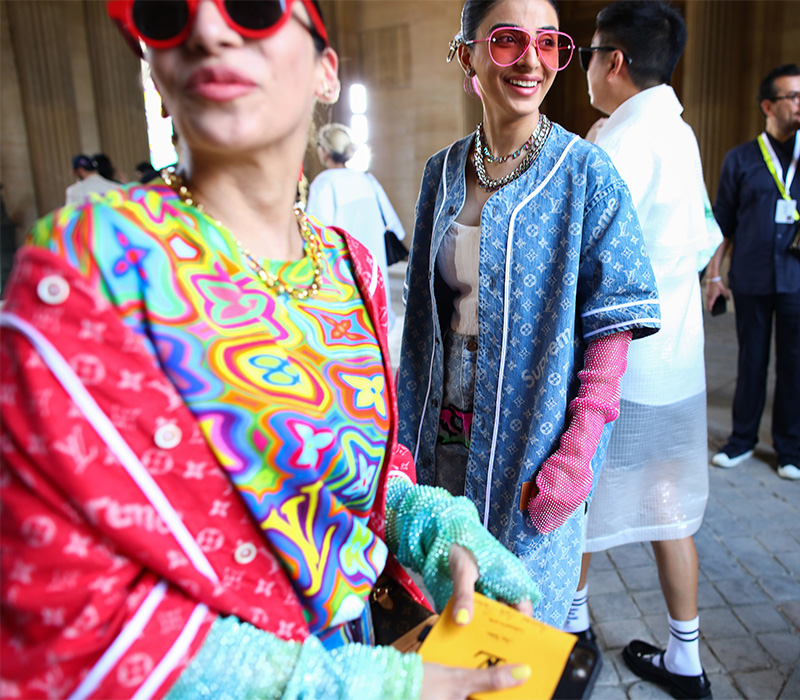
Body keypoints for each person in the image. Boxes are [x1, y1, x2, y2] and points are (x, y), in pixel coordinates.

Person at [0, 2, 543, 698]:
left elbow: (357, 469)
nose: (207, 30)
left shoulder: (348, 265)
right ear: (156, 74)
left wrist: (428, 528)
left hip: (361, 637)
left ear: (325, 73)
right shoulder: (91, 265)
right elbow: (61, 606)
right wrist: (351, 688)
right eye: (166, 14)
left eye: (252, 7)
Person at [396, 0, 661, 631]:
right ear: (468, 54)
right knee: (441, 612)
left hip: (533, 449)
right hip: (441, 437)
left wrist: (578, 452)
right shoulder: (442, 171)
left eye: (548, 42)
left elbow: (612, 324)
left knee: (516, 625)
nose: (531, 60)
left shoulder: (587, 174)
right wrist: (400, 440)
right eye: (508, 39)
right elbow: (419, 327)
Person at [565, 3, 720, 698]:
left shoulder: (618, 144)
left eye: (590, 54)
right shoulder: (677, 131)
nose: (586, 69)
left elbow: (577, 261)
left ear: (615, 61)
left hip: (616, 365)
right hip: (676, 358)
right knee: (668, 502)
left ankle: (571, 640)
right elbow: (702, 239)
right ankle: (686, 659)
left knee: (573, 502)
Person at [706, 63, 800, 481]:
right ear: (768, 105)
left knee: (795, 364)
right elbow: (722, 223)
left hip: (797, 278)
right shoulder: (741, 159)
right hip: (753, 276)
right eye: (792, 97)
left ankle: (790, 448)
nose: (799, 104)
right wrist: (714, 275)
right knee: (752, 360)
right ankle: (741, 440)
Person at [306, 123, 406, 331]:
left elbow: (314, 233)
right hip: (373, 268)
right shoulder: (366, 179)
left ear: (324, 151)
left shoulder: (324, 183)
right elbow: (396, 227)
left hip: (343, 271)